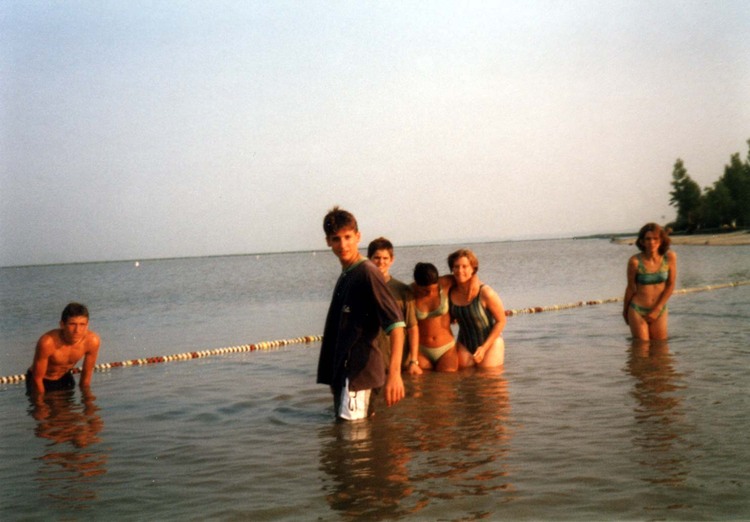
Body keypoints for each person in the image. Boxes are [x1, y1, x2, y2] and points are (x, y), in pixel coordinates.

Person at [317, 207, 406, 420]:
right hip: (345, 374)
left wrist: (395, 375)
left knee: (354, 437)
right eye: (336, 239)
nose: (343, 245)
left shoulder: (367, 272)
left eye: (348, 237)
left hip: (359, 375)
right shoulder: (347, 273)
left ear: (358, 236)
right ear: (328, 241)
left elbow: (396, 325)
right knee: (352, 433)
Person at [367, 237, 421, 376]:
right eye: (377, 258)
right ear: (369, 259)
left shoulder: (403, 290)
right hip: (370, 362)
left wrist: (414, 361)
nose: (381, 262)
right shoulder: (361, 288)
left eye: (385, 258)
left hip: (399, 362)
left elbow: (412, 327)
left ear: (392, 260)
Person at [447, 249, 507, 368]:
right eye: (456, 266)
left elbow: (501, 321)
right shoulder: (449, 292)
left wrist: (484, 348)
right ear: (452, 269)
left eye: (465, 266)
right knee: (464, 376)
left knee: (488, 376)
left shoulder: (485, 292)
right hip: (464, 344)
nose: (460, 270)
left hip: (490, 343)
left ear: (473, 269)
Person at [26, 302, 101, 396]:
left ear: (87, 325)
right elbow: (37, 378)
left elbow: (87, 375)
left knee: (72, 405)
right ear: (62, 324)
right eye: (72, 324)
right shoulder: (47, 343)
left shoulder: (92, 341)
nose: (77, 330)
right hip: (41, 380)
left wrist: (87, 400)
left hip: (65, 377)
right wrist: (40, 402)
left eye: (82, 324)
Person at [623, 223, 677, 341]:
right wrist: (625, 312)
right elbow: (630, 288)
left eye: (655, 238)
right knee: (641, 347)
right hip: (637, 309)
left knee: (661, 346)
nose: (652, 242)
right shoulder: (634, 261)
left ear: (661, 240)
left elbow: (670, 284)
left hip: (659, 309)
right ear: (642, 241)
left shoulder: (669, 257)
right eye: (648, 239)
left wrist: (658, 308)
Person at [411, 262, 459, 372]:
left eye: (434, 289)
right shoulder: (409, 291)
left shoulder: (446, 282)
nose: (430, 293)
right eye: (425, 290)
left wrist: (456, 311)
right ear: (417, 284)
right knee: (422, 381)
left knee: (448, 378)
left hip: (447, 348)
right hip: (421, 349)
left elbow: (469, 281)